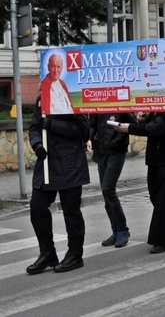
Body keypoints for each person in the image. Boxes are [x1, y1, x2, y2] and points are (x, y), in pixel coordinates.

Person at [26, 97, 90, 274]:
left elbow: (84, 131)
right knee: (37, 208)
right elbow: (35, 127)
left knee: (71, 211)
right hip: (46, 165)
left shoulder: (73, 98)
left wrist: (53, 124)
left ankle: (75, 254)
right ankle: (47, 253)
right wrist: (37, 143)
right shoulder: (42, 99)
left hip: (70, 164)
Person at [116, 111, 165, 254]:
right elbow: (152, 125)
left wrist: (129, 128)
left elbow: (156, 128)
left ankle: (163, 239)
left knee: (164, 200)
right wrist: (144, 119)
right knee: (156, 195)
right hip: (156, 159)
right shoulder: (157, 109)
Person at [89, 113, 135, 248]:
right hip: (101, 150)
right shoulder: (97, 105)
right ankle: (116, 231)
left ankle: (123, 229)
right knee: (106, 192)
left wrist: (122, 129)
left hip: (116, 150)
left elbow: (134, 124)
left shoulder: (120, 104)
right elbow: (93, 125)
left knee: (108, 189)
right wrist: (90, 140)